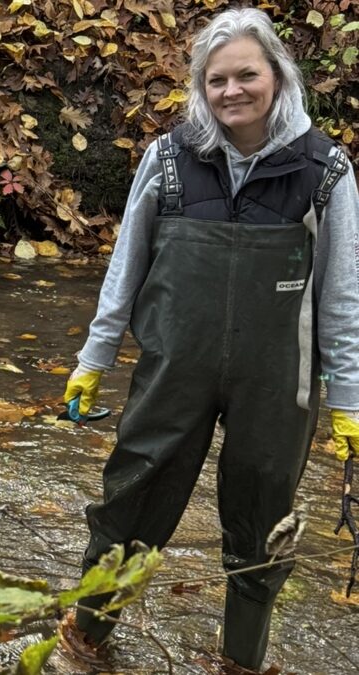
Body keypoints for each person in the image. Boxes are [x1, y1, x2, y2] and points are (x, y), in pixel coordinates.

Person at [59, 7, 359, 671]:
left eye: (246, 75)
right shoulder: (168, 159)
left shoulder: (326, 170)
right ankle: (86, 637)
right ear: (201, 85)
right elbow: (124, 269)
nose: (232, 91)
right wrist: (93, 358)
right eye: (217, 79)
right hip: (174, 369)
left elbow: (341, 297)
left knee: (261, 519)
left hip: (279, 382)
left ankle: (240, 661)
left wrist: (349, 400)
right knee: (130, 497)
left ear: (277, 76)